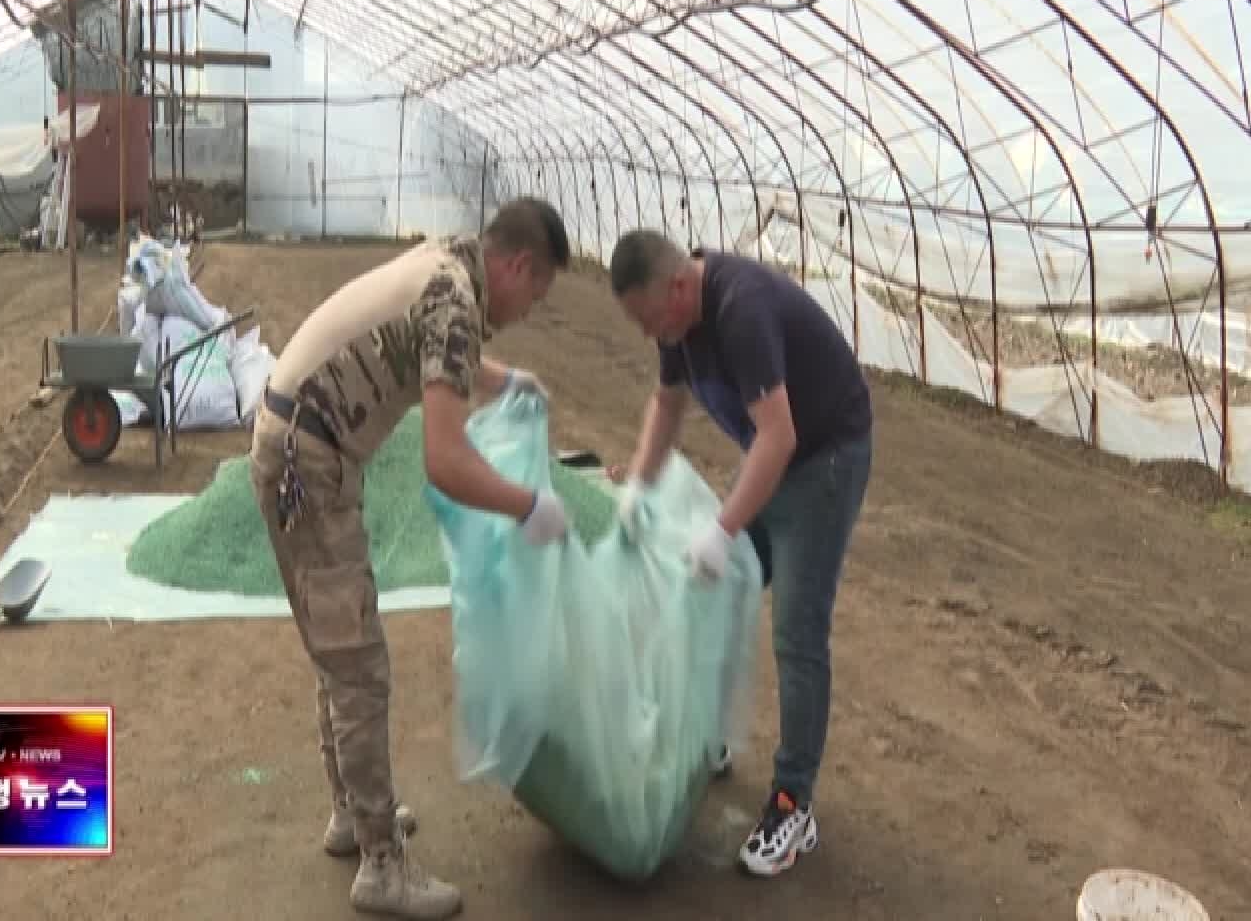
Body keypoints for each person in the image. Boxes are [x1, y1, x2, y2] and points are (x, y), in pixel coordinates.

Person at [248, 197, 573, 919]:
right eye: (537, 291)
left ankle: (353, 817)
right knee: (359, 667)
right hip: (309, 462)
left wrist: (503, 381)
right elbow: (445, 461)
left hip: (293, 441)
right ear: (516, 265)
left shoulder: (451, 260)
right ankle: (381, 867)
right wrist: (527, 506)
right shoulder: (456, 296)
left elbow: (436, 354)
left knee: (340, 657)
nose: (528, 309)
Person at [606, 228, 872, 879]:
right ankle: (709, 733)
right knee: (713, 591)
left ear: (677, 287)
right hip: (778, 454)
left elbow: (778, 436)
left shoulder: (740, 310)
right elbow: (666, 406)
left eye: (648, 319)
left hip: (824, 459)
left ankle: (793, 805)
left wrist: (723, 530)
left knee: (797, 633)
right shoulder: (678, 324)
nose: (649, 335)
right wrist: (639, 485)